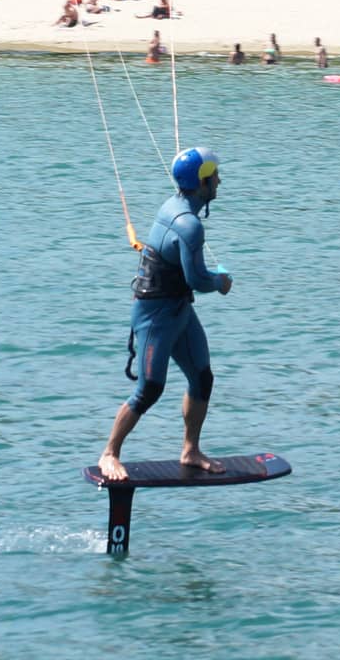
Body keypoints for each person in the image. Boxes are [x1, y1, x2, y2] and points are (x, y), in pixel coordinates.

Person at [98, 147, 232, 482]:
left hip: (179, 308)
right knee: (150, 388)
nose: (219, 179)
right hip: (155, 312)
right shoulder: (188, 224)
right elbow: (197, 279)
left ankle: (190, 450)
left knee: (203, 378)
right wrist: (220, 282)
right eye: (214, 175)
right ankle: (109, 453)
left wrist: (206, 278)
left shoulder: (180, 207)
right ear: (201, 182)